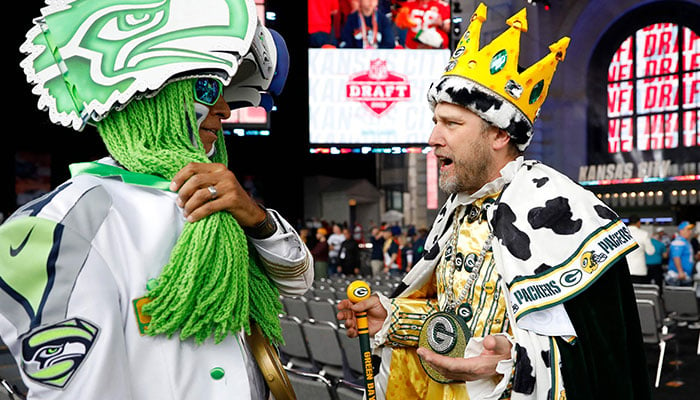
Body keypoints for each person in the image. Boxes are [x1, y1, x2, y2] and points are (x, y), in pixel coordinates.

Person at [338, 4, 650, 399]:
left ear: (500, 134)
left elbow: (599, 358)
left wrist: (513, 364)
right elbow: (457, 326)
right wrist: (393, 317)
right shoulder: (458, 209)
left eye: (451, 123)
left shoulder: (565, 211)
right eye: (435, 122)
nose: (433, 138)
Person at [2, 1, 312, 398]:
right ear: (152, 98)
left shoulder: (222, 197)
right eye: (207, 89)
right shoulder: (60, 227)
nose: (224, 111)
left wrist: (255, 217)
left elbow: (299, 281)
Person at [625, 215, 655, 284]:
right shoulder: (643, 234)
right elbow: (651, 252)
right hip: (639, 271)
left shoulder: (622, 234)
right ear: (638, 223)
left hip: (624, 271)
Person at [667, 221, 695, 286]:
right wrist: (680, 271)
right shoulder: (678, 241)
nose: (690, 232)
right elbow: (676, 257)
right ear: (681, 231)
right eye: (688, 230)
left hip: (685, 275)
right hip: (678, 277)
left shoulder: (685, 242)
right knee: (680, 295)